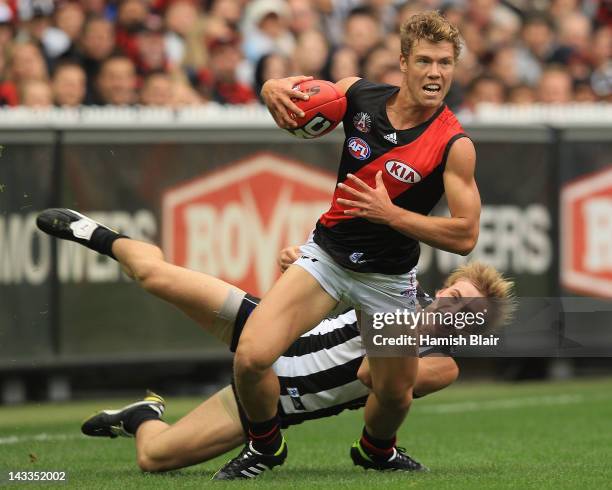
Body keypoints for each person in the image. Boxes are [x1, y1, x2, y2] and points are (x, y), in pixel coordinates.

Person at [35, 208, 512, 474]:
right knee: (154, 275)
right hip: (268, 330)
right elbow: (332, 286)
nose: (452, 307)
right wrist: (300, 266)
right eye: (454, 296)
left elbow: (374, 376)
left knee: (153, 459)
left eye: (466, 313)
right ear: (444, 288)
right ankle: (95, 232)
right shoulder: (395, 289)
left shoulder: (443, 363)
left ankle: (140, 416)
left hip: (278, 399)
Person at [223, 11, 481, 479]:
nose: (436, 73)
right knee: (251, 357)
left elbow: (466, 235)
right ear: (402, 63)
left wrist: (392, 215)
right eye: (425, 61)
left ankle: (377, 449)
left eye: (445, 62)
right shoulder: (359, 95)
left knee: (394, 393)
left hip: (388, 280)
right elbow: (295, 93)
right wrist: (269, 89)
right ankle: (265, 447)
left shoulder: (454, 143)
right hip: (328, 258)